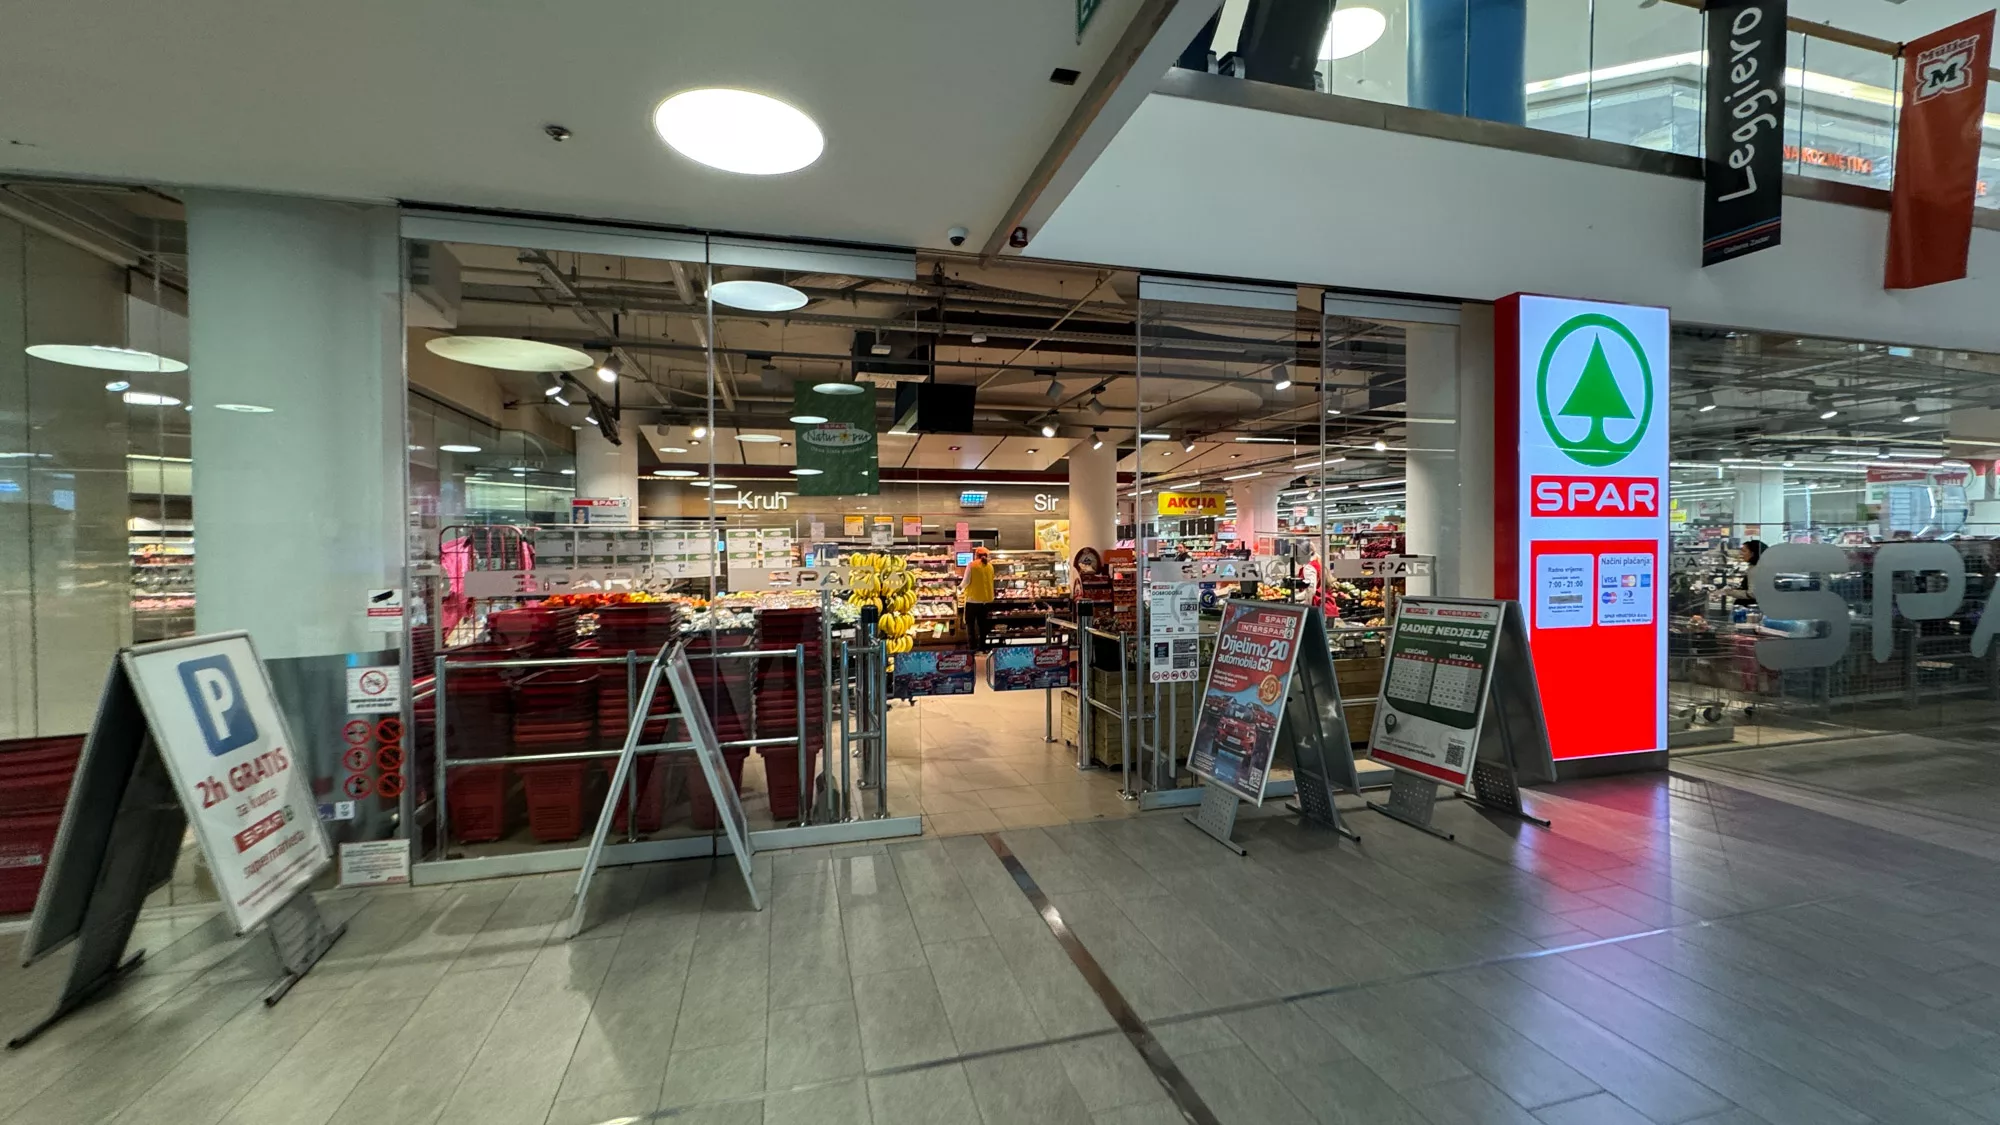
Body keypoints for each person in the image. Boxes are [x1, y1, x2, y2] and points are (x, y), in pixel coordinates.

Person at [962, 545, 996, 652]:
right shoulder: (990, 566)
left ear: (976, 555)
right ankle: (983, 646)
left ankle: (972, 647)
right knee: (983, 625)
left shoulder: (971, 565)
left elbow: (966, 582)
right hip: (986, 601)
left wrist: (959, 587)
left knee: (970, 625)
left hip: (972, 600)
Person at [1736, 539, 1765, 605]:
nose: (1740, 553)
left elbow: (1752, 594)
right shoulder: (1763, 566)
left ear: (1752, 553)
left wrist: (1729, 592)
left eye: (1744, 551)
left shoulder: (1754, 569)